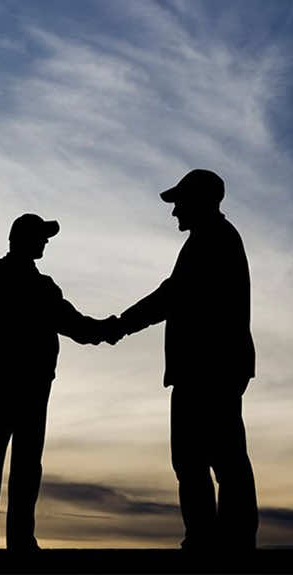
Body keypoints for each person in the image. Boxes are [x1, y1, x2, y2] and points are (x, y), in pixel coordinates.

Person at [109, 169, 258, 551]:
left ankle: (221, 543)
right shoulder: (209, 239)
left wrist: (121, 324)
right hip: (210, 368)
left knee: (211, 460)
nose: (174, 211)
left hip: (208, 370)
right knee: (206, 459)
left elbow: (171, 295)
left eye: (179, 202)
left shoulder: (213, 240)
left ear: (200, 200)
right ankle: (213, 539)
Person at [0, 213, 119, 551]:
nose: (45, 242)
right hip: (11, 384)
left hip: (28, 386)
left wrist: (106, 329)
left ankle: (12, 540)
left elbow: (75, 325)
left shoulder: (41, 286)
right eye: (41, 237)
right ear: (22, 239)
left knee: (21, 464)